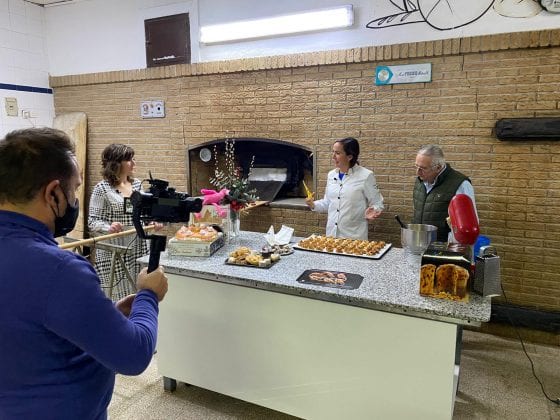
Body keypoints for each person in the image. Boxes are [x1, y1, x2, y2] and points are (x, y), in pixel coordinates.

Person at [0, 128, 168, 419]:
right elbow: (133, 355)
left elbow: (30, 325)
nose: (75, 197)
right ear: (53, 193)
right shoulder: (59, 270)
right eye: (74, 189)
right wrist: (148, 296)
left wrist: (104, 316)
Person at [88, 144, 151, 301]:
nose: (134, 163)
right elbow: (92, 221)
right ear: (116, 164)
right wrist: (109, 227)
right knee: (119, 299)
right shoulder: (102, 189)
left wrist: (153, 220)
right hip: (116, 252)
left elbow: (144, 213)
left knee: (140, 293)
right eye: (129, 160)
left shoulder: (136, 185)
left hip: (139, 247)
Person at [306, 137, 384, 240]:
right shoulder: (331, 175)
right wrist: (313, 204)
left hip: (354, 238)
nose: (333, 157)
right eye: (333, 152)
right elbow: (328, 203)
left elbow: (378, 203)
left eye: (337, 153)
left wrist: (374, 210)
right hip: (331, 237)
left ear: (349, 156)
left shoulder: (366, 176)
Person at [412, 144, 478, 243]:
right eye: (416, 166)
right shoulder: (420, 180)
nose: (418, 172)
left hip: (444, 249)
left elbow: (468, 226)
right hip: (419, 243)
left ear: (438, 168)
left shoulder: (460, 184)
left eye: (423, 168)